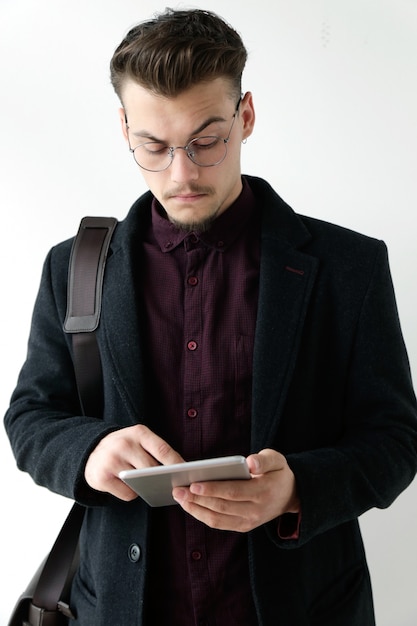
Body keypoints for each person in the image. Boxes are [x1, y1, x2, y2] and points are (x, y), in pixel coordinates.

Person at [4, 7, 417, 626]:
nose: (183, 173)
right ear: (124, 128)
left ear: (245, 116)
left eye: (206, 141)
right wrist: (91, 452)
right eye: (154, 146)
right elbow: (30, 419)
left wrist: (297, 488)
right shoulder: (74, 268)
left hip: (300, 607)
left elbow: (396, 439)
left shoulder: (348, 266)